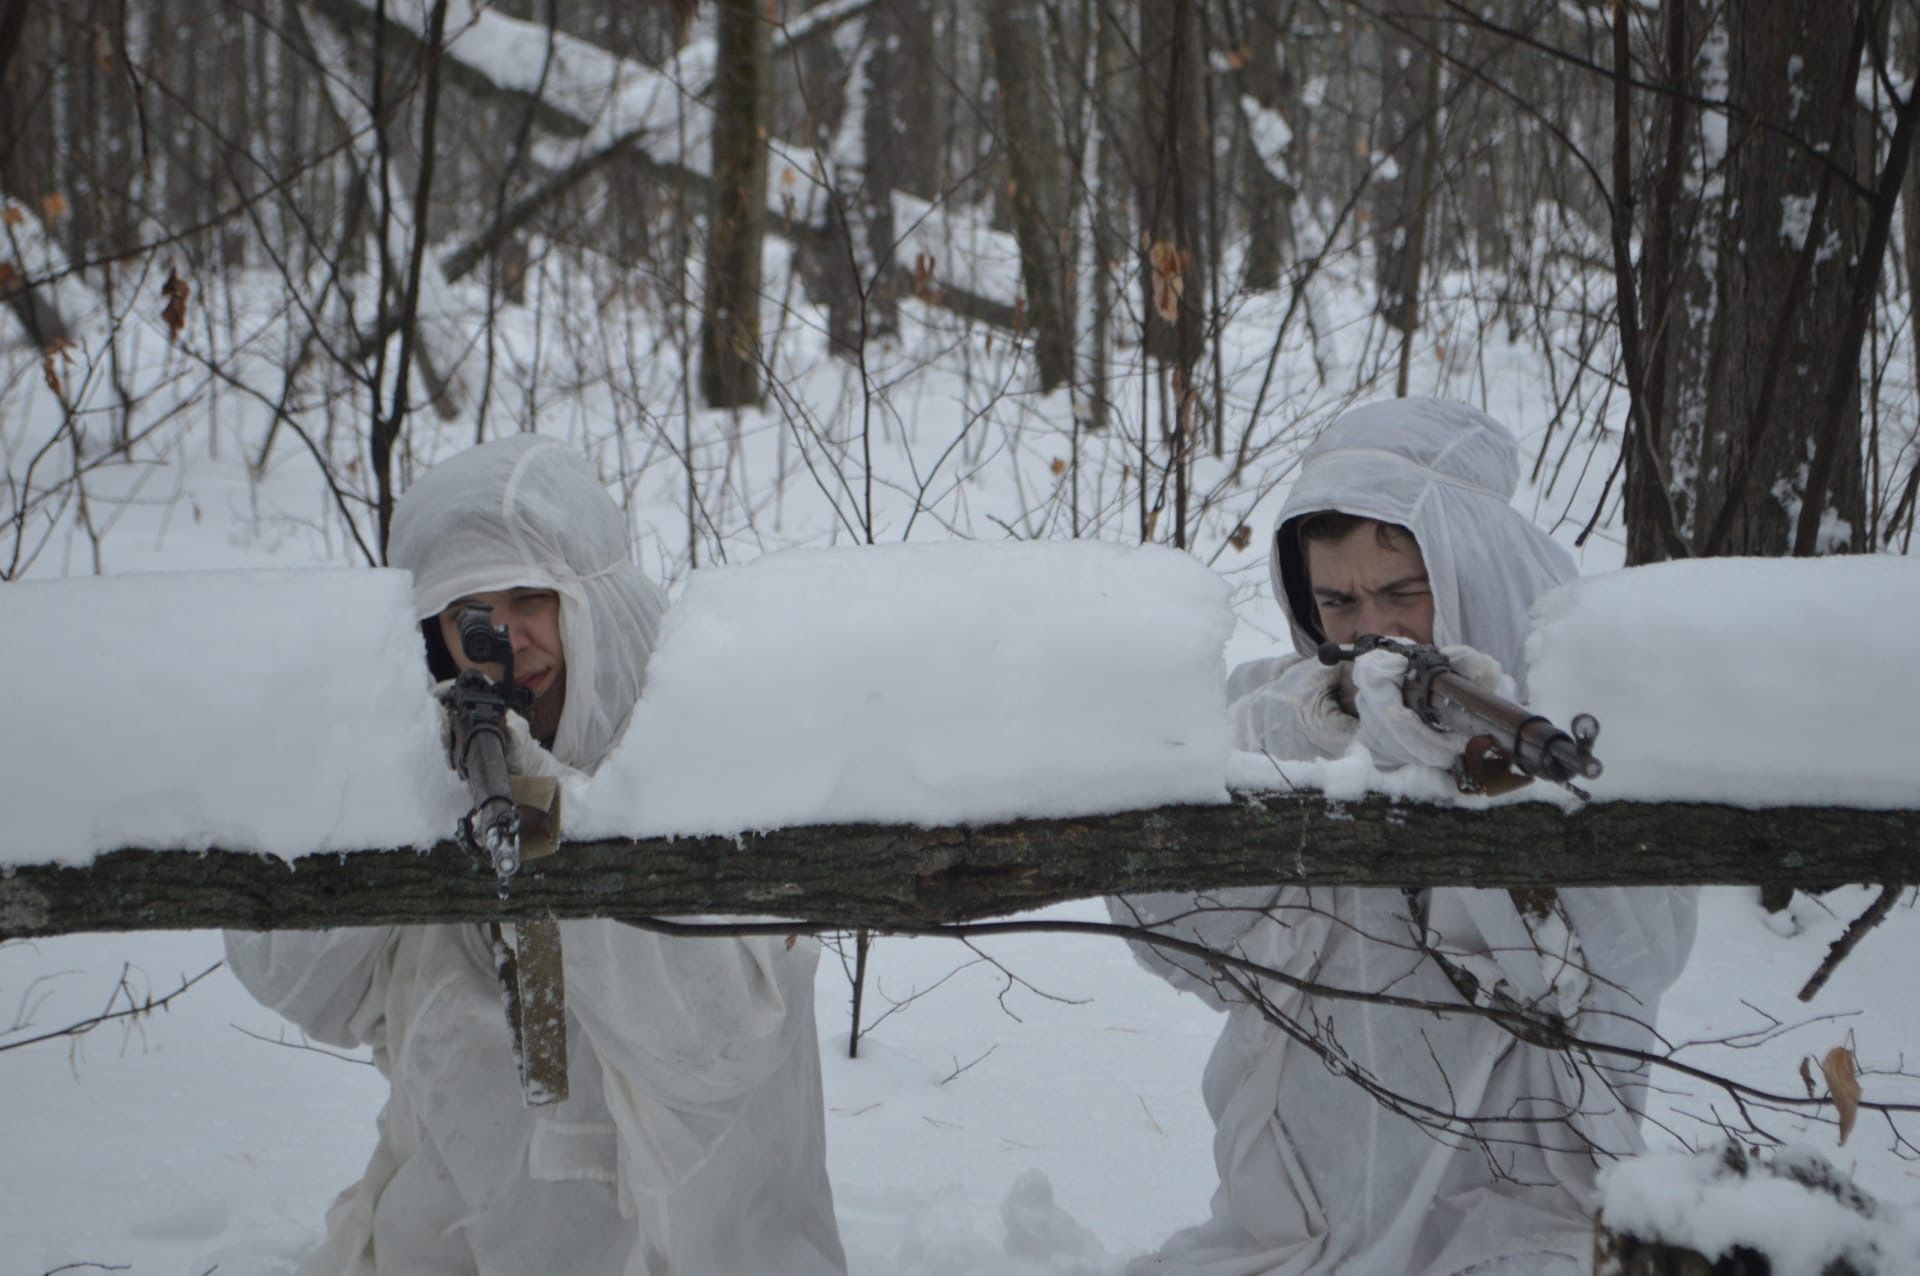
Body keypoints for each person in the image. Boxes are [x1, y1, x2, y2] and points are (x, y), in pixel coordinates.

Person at [226, 434, 846, 1276]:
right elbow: (301, 982)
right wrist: (371, 775)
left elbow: (719, 1044)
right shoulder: (438, 774)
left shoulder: (702, 745)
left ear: (589, 597)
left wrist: (549, 800)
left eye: (530, 598)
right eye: (466, 614)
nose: (503, 638)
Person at [1113, 399, 1696, 1276]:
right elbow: (1169, 931)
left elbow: (1624, 968)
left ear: (1469, 568)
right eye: (1337, 600)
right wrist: (1318, 728)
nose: (1368, 628)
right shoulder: (1280, 702)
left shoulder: (1577, 722)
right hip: (1293, 1221)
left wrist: (1473, 786)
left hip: (1514, 1221)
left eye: (1400, 592)